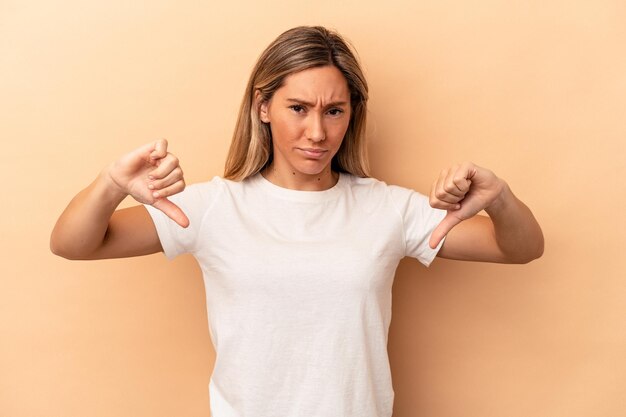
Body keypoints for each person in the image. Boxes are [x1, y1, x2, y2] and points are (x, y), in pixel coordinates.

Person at [51, 26, 543, 417]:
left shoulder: (387, 208)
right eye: (298, 108)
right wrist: (111, 182)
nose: (317, 132)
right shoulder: (212, 208)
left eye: (334, 110)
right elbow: (73, 243)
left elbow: (520, 248)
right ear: (263, 106)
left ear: (352, 115)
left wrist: (498, 197)